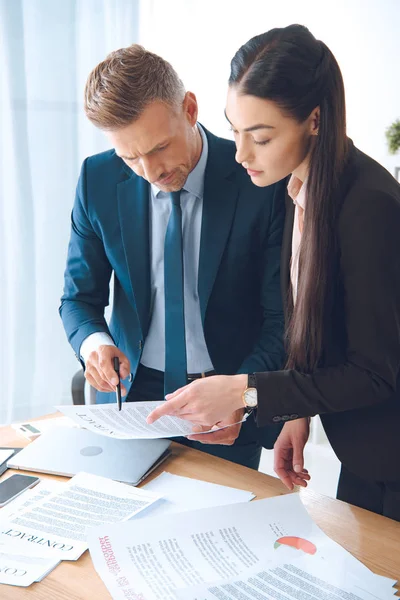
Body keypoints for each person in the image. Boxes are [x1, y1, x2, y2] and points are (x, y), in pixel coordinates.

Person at [147, 25, 400, 520]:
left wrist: (247, 390)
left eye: (260, 137)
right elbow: (321, 326)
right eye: (235, 130)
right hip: (365, 454)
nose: (241, 153)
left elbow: (375, 373)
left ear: (314, 120)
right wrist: (295, 410)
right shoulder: (292, 189)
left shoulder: (370, 206)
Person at [60, 44, 287, 470]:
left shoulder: (259, 180)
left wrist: (245, 396)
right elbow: (78, 299)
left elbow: (282, 319)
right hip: (131, 398)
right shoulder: (97, 178)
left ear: (189, 108)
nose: (150, 171)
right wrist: (95, 344)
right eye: (130, 157)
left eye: (159, 147)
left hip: (226, 399)